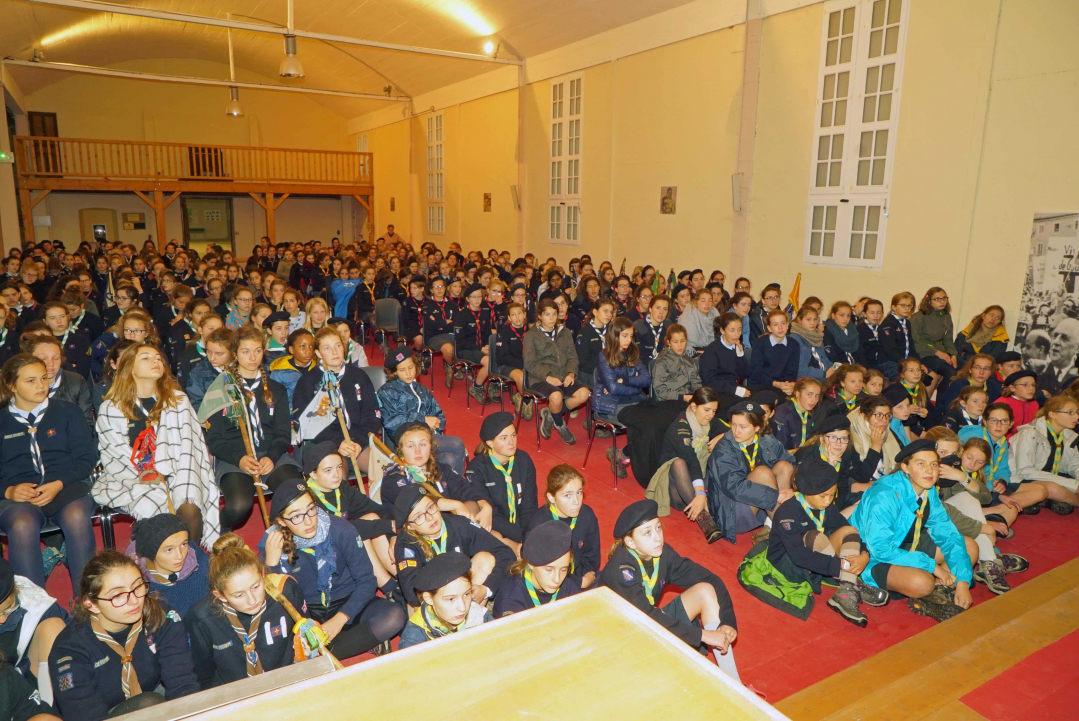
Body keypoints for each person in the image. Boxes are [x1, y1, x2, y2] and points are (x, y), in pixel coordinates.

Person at [259, 482, 405, 659]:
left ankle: (314, 654)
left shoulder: (339, 529)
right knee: (272, 638)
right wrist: (272, 564)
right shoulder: (272, 544)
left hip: (346, 599)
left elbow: (367, 581)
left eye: (311, 509)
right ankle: (354, 641)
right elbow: (273, 603)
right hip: (306, 610)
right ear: (282, 521)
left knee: (394, 616)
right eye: (296, 516)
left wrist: (339, 620)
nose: (308, 521)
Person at [94, 342, 220, 546]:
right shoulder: (111, 408)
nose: (155, 361)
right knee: (154, 504)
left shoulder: (178, 400)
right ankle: (157, 555)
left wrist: (171, 473)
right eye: (145, 358)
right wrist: (147, 475)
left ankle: (191, 559)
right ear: (129, 367)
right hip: (134, 475)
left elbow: (189, 448)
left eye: (158, 358)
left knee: (189, 504)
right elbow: (114, 455)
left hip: (179, 469)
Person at [49, 550, 199, 720]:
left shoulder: (161, 617)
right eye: (118, 595)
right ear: (92, 605)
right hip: (104, 714)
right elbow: (87, 716)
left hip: (154, 696)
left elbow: (182, 684)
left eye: (137, 586)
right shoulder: (70, 650)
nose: (134, 600)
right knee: (149, 704)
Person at [601, 500, 740, 680]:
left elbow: (710, 579)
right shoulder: (621, 571)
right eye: (647, 533)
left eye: (658, 528)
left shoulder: (662, 554)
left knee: (705, 591)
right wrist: (703, 635)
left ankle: (733, 682)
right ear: (630, 542)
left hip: (647, 625)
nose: (658, 537)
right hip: (619, 643)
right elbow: (646, 617)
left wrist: (727, 621)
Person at [850, 440, 978, 623]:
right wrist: (933, 567)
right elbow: (881, 549)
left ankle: (939, 591)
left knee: (969, 546)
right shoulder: (884, 495)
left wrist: (963, 582)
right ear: (905, 467)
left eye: (934, 464)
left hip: (908, 544)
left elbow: (948, 534)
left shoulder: (928, 491)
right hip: (871, 556)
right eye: (921, 464)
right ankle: (930, 588)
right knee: (922, 583)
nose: (929, 471)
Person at [0, 355, 97, 589]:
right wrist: (9, 491)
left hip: (66, 487)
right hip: (17, 498)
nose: (41, 385)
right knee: (22, 524)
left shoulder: (68, 412)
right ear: (12, 386)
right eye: (31, 381)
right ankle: (35, 605)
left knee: (76, 516)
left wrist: (59, 483)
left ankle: (88, 598)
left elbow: (86, 459)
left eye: (43, 378)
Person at [205, 325, 303, 530]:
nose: (252, 357)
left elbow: (283, 434)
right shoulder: (221, 389)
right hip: (234, 457)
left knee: (297, 497)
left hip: (272, 454)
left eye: (257, 351)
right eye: (246, 351)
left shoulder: (276, 389)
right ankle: (221, 533)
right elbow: (214, 439)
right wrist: (239, 459)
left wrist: (271, 457)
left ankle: (288, 536)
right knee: (240, 505)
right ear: (234, 353)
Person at [184, 533, 309, 689]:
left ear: (262, 574)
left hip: (288, 684)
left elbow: (307, 642)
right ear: (220, 595)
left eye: (256, 587)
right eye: (239, 595)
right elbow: (203, 676)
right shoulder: (202, 618)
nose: (252, 600)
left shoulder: (285, 593)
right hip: (234, 693)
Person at [764, 459, 881, 626]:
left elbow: (844, 527)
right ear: (806, 491)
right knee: (814, 536)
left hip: (818, 557)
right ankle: (850, 582)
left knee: (849, 530)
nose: (828, 501)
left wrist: (864, 554)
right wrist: (842, 565)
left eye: (832, 495)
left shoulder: (827, 508)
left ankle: (847, 587)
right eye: (823, 496)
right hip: (790, 564)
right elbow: (799, 556)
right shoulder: (787, 513)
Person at [392, 485, 515, 609]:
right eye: (418, 517)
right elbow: (411, 592)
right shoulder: (406, 543)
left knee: (485, 560)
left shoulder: (459, 524)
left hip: (464, 591)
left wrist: (487, 588)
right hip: (435, 601)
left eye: (430, 507)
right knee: (415, 604)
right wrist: (449, 595)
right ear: (409, 527)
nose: (429, 517)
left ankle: (473, 617)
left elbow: (505, 553)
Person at [302, 442, 397, 597]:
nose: (336, 474)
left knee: (372, 518)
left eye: (339, 467)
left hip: (345, 541)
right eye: (328, 470)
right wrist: (389, 526)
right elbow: (342, 531)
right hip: (323, 556)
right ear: (313, 474)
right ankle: (391, 588)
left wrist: (393, 534)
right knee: (360, 533)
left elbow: (376, 509)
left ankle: (404, 577)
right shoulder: (307, 500)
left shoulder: (341, 488)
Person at [292, 327, 381, 475]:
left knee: (385, 472)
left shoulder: (359, 376)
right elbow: (304, 424)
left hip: (357, 442)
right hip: (324, 443)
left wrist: (359, 441)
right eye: (327, 348)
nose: (334, 352)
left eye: (338, 346)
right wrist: (339, 442)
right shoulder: (308, 382)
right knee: (336, 475)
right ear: (318, 353)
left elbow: (372, 414)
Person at [706, 400, 795, 544]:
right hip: (732, 511)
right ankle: (787, 531)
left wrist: (794, 490)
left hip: (763, 507)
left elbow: (790, 462)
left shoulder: (767, 439)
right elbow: (734, 487)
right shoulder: (723, 448)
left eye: (743, 427)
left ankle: (773, 524)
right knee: (762, 473)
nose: (736, 431)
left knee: (785, 467)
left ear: (757, 427)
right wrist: (774, 496)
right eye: (733, 424)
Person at [645, 388, 723, 542]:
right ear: (693, 407)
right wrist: (700, 493)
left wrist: (723, 435)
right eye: (707, 410)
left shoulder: (708, 421)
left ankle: (710, 503)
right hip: (675, 484)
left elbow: (732, 430)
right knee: (679, 463)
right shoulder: (680, 427)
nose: (711, 415)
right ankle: (704, 518)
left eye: (714, 411)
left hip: (697, 473)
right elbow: (690, 459)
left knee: (719, 452)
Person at [375, 348, 466, 471]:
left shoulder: (422, 389)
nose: (408, 373)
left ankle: (444, 483)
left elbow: (438, 415)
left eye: (411, 367)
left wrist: (437, 423)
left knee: (449, 459)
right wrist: (423, 420)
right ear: (395, 372)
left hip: (428, 436)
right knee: (457, 444)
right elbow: (391, 421)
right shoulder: (387, 392)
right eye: (402, 370)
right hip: (406, 441)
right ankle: (458, 483)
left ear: (416, 366)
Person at [466, 413, 538, 552]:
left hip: (522, 527)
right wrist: (522, 538)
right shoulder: (476, 469)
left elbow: (529, 505)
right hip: (494, 527)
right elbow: (492, 516)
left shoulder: (523, 460)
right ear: (490, 442)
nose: (511, 442)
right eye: (504, 438)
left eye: (513, 435)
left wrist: (528, 536)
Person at [958, 403, 1049, 512]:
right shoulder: (973, 437)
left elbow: (1003, 469)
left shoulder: (1002, 441)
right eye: (993, 420)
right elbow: (969, 470)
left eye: (1004, 421)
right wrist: (993, 490)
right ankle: (1001, 509)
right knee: (1011, 511)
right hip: (975, 486)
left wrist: (1002, 481)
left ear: (1011, 424)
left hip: (992, 486)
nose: (999, 425)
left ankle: (1000, 508)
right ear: (985, 422)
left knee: (1041, 490)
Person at [0, 558, 67, 705]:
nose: (2, 619)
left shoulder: (38, 605)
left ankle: (51, 708)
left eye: (8, 608)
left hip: (24, 681)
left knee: (53, 627)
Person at [524, 300, 590, 446]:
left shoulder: (564, 332)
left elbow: (572, 357)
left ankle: (551, 414)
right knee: (556, 396)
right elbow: (530, 363)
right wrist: (548, 377)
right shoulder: (531, 335)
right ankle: (560, 424)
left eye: (554, 314)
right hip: (539, 378)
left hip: (563, 375)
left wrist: (571, 373)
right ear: (539, 316)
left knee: (584, 393)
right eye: (547, 314)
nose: (552, 318)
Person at [525, 464, 600, 588]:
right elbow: (538, 568)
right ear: (551, 497)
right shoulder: (539, 523)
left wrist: (578, 580)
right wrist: (577, 583)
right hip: (549, 582)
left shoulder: (587, 516)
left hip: (578, 575)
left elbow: (592, 558)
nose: (576, 501)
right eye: (567, 495)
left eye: (579, 493)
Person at [398, 552, 491, 649]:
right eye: (451, 599)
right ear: (429, 598)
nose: (462, 607)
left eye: (466, 594)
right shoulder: (414, 640)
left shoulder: (478, 614)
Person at [493, 520, 581, 617]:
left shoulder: (568, 588)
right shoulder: (511, 598)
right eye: (549, 570)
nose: (557, 579)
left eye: (563, 570)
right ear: (531, 564)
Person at [1008, 394, 1079, 513]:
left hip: (1048, 476)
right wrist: (1073, 484)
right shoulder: (1029, 433)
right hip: (1022, 479)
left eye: (1077, 412)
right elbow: (1025, 471)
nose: (1077, 416)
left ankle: (1046, 500)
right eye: (1070, 413)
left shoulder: (1069, 436)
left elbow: (1075, 465)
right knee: (1052, 488)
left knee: (1059, 485)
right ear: (1052, 414)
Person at [129, 513, 209, 617]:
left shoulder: (205, 567)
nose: (180, 556)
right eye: (169, 550)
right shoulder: (139, 588)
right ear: (151, 553)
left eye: (184, 544)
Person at [20, 334, 94, 433]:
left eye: (56, 358)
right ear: (29, 359)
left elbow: (86, 425)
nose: (51, 363)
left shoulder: (76, 381)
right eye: (43, 358)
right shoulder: (19, 384)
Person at [593, 316, 651, 429]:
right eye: (625, 336)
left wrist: (625, 381)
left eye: (631, 336)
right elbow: (614, 388)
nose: (629, 340)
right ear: (615, 335)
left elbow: (647, 379)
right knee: (643, 421)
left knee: (656, 416)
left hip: (636, 399)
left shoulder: (632, 353)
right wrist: (637, 387)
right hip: (613, 404)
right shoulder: (604, 356)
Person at [454, 283, 494, 403]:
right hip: (465, 349)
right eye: (474, 297)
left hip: (481, 348)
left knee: (500, 355)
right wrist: (479, 348)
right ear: (467, 299)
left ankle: (493, 385)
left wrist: (487, 346)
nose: (477, 299)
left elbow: (487, 334)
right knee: (489, 362)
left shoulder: (484, 313)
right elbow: (460, 340)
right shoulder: (462, 315)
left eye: (479, 296)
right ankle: (476, 387)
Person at [911, 287, 957, 390]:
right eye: (937, 299)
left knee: (965, 368)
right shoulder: (918, 317)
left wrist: (953, 355)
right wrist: (937, 352)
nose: (942, 301)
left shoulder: (946, 316)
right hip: (925, 353)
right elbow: (916, 342)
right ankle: (942, 400)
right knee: (950, 372)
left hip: (942, 351)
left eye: (944, 298)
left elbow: (948, 339)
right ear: (929, 301)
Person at [699, 313, 750, 406]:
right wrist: (734, 390)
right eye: (732, 330)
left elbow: (744, 374)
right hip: (718, 392)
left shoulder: (738, 345)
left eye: (739, 330)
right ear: (722, 330)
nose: (736, 334)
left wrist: (740, 355)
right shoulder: (712, 350)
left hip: (735, 388)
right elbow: (709, 381)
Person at [748, 309, 799, 396]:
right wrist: (776, 384)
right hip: (761, 385)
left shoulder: (794, 344)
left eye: (783, 323)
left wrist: (790, 385)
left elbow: (792, 372)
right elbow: (756, 372)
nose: (780, 327)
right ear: (769, 328)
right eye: (775, 324)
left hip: (783, 386)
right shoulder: (760, 343)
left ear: (787, 325)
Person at [493, 303, 531, 419]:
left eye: (519, 313)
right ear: (509, 318)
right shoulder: (504, 331)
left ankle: (521, 396)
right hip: (506, 365)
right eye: (513, 315)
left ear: (524, 315)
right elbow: (503, 356)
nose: (517, 317)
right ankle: (527, 401)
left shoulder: (531, 330)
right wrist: (523, 366)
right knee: (522, 377)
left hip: (527, 364)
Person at [421, 278, 458, 389]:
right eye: (436, 287)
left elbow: (457, 322)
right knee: (449, 349)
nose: (439, 289)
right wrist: (446, 322)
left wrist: (439, 324)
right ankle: (451, 366)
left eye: (441, 286)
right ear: (431, 290)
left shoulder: (452, 304)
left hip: (452, 334)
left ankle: (455, 368)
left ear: (445, 288)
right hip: (434, 336)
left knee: (470, 346)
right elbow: (429, 325)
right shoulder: (427, 305)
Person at [651, 324, 701, 402]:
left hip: (689, 397)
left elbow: (696, 383)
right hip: (670, 400)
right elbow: (660, 391)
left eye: (682, 341)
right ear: (669, 342)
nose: (680, 345)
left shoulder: (689, 361)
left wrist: (699, 394)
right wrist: (683, 397)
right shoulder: (662, 361)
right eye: (675, 342)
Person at [268, 328, 316, 406]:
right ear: (291, 349)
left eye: (311, 346)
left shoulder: (318, 369)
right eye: (302, 346)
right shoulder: (279, 372)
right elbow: (275, 401)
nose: (308, 350)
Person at [773, 378, 823, 450]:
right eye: (809, 394)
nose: (814, 400)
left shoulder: (811, 412)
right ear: (798, 394)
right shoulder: (783, 414)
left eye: (817, 396)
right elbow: (779, 451)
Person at [575, 297, 615, 385]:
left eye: (611, 312)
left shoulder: (611, 330)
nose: (609, 315)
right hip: (589, 375)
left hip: (609, 372)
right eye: (605, 311)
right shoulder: (585, 332)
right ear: (595, 312)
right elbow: (582, 361)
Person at [878, 292, 916, 379]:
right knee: (907, 378)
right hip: (889, 361)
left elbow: (911, 346)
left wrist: (918, 362)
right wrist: (906, 364)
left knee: (927, 377)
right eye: (903, 305)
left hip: (903, 360)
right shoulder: (888, 324)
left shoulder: (907, 323)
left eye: (909, 305)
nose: (907, 308)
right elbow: (889, 349)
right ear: (894, 307)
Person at [788, 306, 832, 382]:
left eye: (815, 319)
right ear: (799, 320)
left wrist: (835, 369)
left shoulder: (817, 336)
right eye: (808, 319)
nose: (813, 323)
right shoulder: (794, 339)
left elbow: (825, 360)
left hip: (823, 377)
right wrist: (824, 374)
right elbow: (799, 368)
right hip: (806, 380)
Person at [997, 369, 1039, 435]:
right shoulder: (1002, 404)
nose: (1031, 388)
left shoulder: (1034, 404)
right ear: (1012, 388)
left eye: (1033, 385)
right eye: (1025, 385)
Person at [633, 294, 671, 361]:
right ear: (650, 309)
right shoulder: (639, 326)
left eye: (665, 309)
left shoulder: (669, 326)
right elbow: (637, 355)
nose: (661, 312)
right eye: (658, 308)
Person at [823, 301, 863, 365]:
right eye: (842, 315)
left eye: (848, 315)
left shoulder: (853, 331)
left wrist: (863, 366)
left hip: (855, 366)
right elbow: (832, 357)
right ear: (833, 316)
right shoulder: (828, 333)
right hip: (840, 367)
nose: (845, 319)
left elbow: (860, 353)